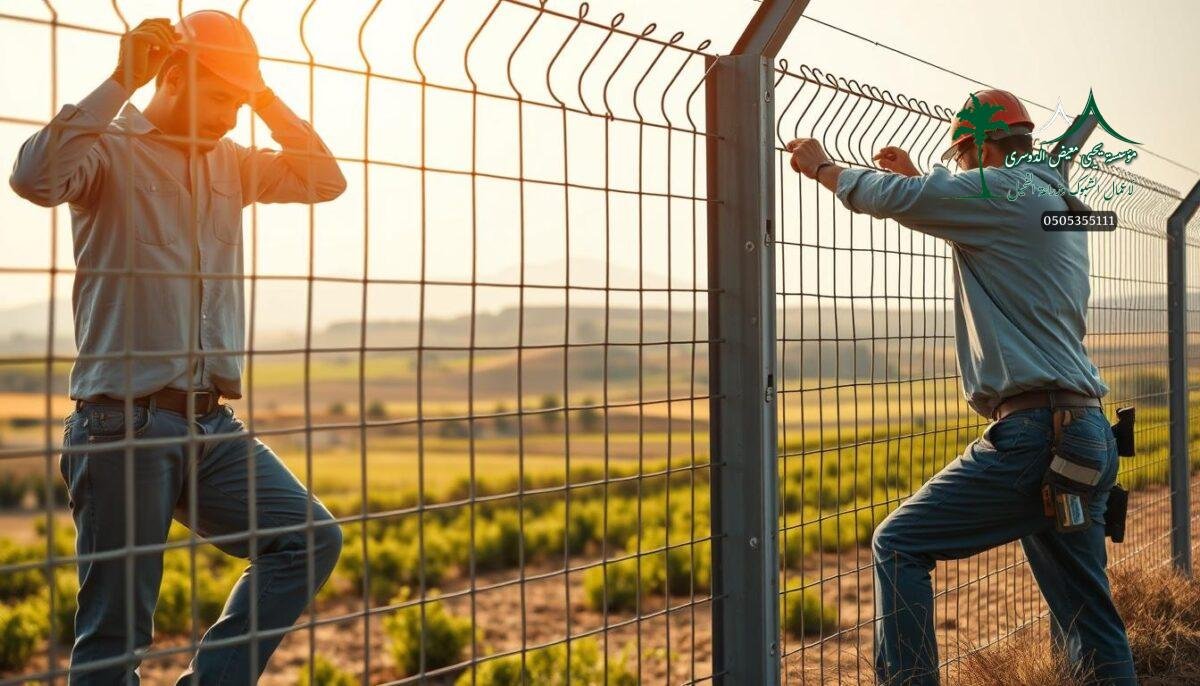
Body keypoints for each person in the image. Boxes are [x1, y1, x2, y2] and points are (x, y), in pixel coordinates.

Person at [10, 11, 346, 685]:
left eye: (236, 101)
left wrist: (263, 96)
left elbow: (324, 180)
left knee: (308, 538)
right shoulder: (107, 148)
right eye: (219, 96)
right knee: (115, 637)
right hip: (121, 424)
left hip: (212, 422)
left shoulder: (234, 164)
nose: (230, 116)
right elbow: (35, 179)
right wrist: (118, 80)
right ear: (169, 75)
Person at [786, 89, 1135, 685]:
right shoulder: (1057, 202)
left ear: (979, 148)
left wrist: (823, 166)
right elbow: (985, 228)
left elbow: (913, 199)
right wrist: (928, 180)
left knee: (898, 543)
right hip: (1086, 435)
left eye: (962, 160)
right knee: (1088, 613)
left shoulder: (998, 191)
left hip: (1037, 432)